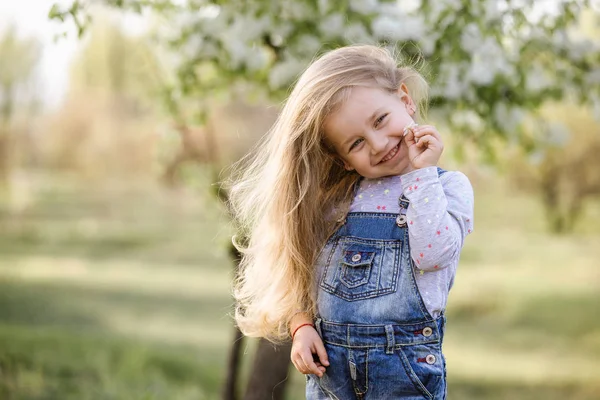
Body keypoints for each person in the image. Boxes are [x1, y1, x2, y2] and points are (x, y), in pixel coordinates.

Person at [228, 44, 474, 399]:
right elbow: (301, 269)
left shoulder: (447, 187)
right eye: (356, 143)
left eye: (380, 120)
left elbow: (433, 254)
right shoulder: (337, 201)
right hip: (332, 382)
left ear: (405, 101)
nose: (377, 144)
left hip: (404, 377)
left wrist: (421, 175)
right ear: (342, 160)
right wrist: (301, 327)